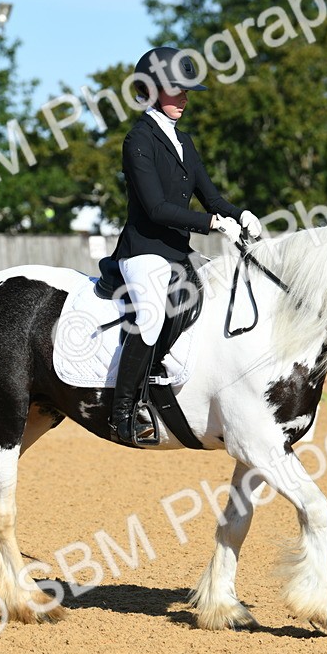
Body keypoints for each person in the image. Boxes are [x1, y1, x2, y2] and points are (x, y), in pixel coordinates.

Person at [109, 46, 262, 444]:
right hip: (144, 250)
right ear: (153, 90)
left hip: (179, 250)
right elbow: (157, 208)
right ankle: (124, 410)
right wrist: (212, 223)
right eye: (177, 90)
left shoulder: (184, 142)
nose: (185, 99)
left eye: (186, 91)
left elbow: (211, 197)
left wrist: (239, 213)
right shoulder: (137, 141)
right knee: (150, 317)